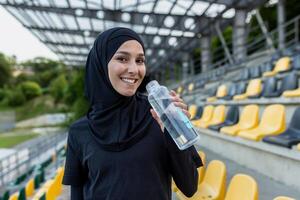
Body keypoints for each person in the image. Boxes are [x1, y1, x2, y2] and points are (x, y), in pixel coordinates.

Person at [62, 27, 202, 200]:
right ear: (101, 63)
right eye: (122, 58)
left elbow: (190, 187)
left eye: (140, 60)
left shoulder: (159, 114)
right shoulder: (79, 131)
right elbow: (77, 194)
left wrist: (174, 132)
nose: (134, 69)